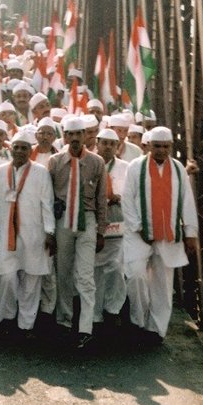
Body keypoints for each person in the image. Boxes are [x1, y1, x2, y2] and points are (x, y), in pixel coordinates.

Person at [121, 126, 199, 342]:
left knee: (163, 284)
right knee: (136, 276)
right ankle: (138, 320)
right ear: (148, 146)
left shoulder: (178, 169)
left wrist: (190, 233)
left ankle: (155, 329)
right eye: (157, 146)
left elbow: (186, 201)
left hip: (167, 232)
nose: (161, 150)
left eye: (166, 146)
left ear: (171, 146)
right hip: (139, 232)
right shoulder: (136, 167)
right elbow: (127, 199)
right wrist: (138, 227)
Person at [46, 117, 107, 348]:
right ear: (64, 136)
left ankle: (86, 328)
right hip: (63, 220)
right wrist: (50, 231)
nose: (74, 138)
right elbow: (48, 197)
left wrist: (101, 231)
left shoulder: (96, 162)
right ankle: (64, 321)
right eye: (69, 134)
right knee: (63, 273)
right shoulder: (55, 162)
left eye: (78, 134)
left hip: (87, 220)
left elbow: (101, 199)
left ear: (85, 135)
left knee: (85, 276)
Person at [0, 130, 56, 333]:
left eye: (24, 148)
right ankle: (7, 319)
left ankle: (26, 325)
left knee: (31, 280)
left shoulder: (40, 172)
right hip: (6, 235)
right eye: (16, 147)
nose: (19, 151)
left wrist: (50, 232)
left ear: (30, 150)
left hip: (34, 234)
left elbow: (47, 203)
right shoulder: (0, 172)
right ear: (11, 149)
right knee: (7, 278)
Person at [92, 129, 128, 327]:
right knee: (95, 269)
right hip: (94, 220)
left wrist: (118, 198)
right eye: (104, 143)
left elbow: (131, 194)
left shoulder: (125, 167)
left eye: (111, 144)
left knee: (116, 266)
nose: (107, 147)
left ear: (117, 146)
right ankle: (95, 314)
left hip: (117, 219)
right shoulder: (89, 163)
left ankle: (113, 309)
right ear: (97, 143)